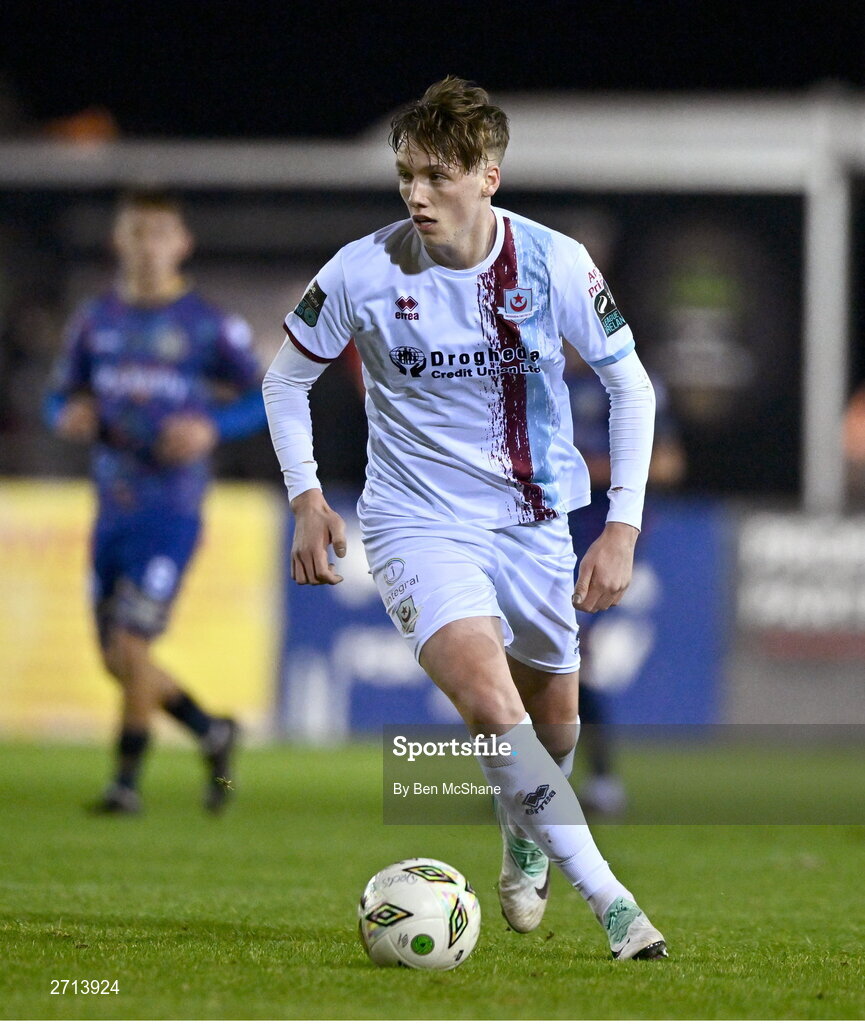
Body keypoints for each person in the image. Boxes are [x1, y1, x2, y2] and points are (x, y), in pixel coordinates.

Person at [263, 77, 667, 960]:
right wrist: (307, 497)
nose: (416, 194)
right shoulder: (362, 269)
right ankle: (613, 904)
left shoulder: (553, 263)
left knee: (552, 723)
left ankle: (525, 836)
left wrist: (621, 526)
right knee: (489, 703)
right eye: (405, 174)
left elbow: (627, 383)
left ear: (488, 174)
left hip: (531, 521)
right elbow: (284, 381)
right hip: (415, 523)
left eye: (436, 175)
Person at [45, 189, 268, 814]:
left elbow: (261, 396)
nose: (147, 246)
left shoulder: (205, 323)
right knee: (116, 658)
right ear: (120, 241)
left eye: (159, 233)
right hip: (112, 506)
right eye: (136, 233)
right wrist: (70, 414)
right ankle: (212, 731)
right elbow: (57, 397)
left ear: (182, 243)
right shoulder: (95, 321)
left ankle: (125, 783)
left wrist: (211, 428)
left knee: (133, 644)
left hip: (171, 509)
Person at [565, 349, 686, 817]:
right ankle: (555, 780)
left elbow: (670, 464)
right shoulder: (533, 370)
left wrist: (591, 471)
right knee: (531, 652)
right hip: (534, 529)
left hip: (601, 536)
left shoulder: (631, 379)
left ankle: (597, 780)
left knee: (566, 647)